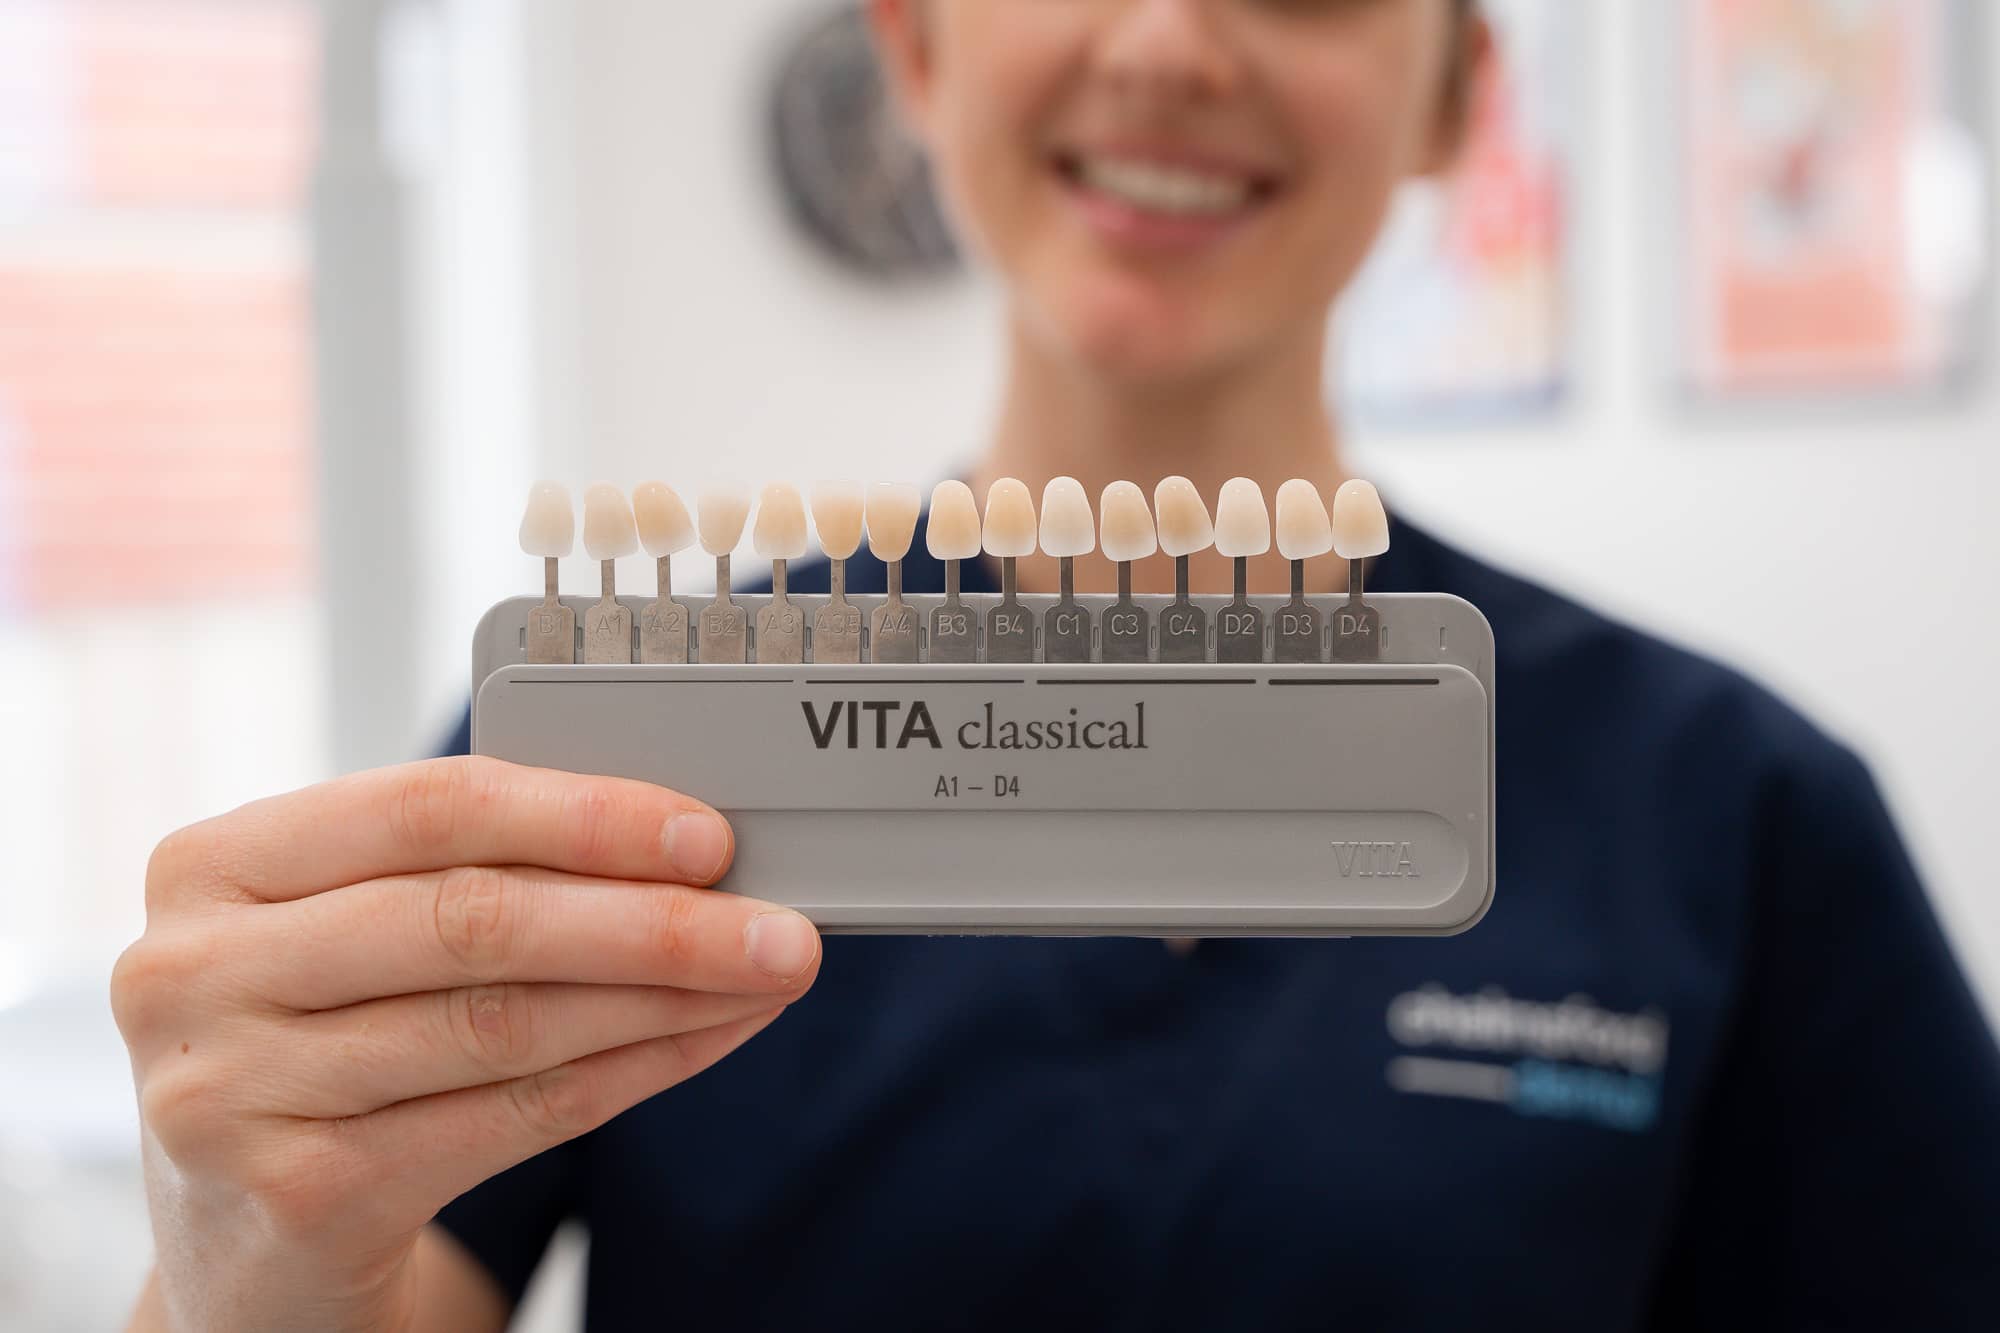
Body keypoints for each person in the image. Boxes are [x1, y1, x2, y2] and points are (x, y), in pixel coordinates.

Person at [113, 1, 2000, 1329]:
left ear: (1456, 95)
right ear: (917, 44)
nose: (1172, 39)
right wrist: (233, 1266)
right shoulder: (623, 755)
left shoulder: (1739, 819)